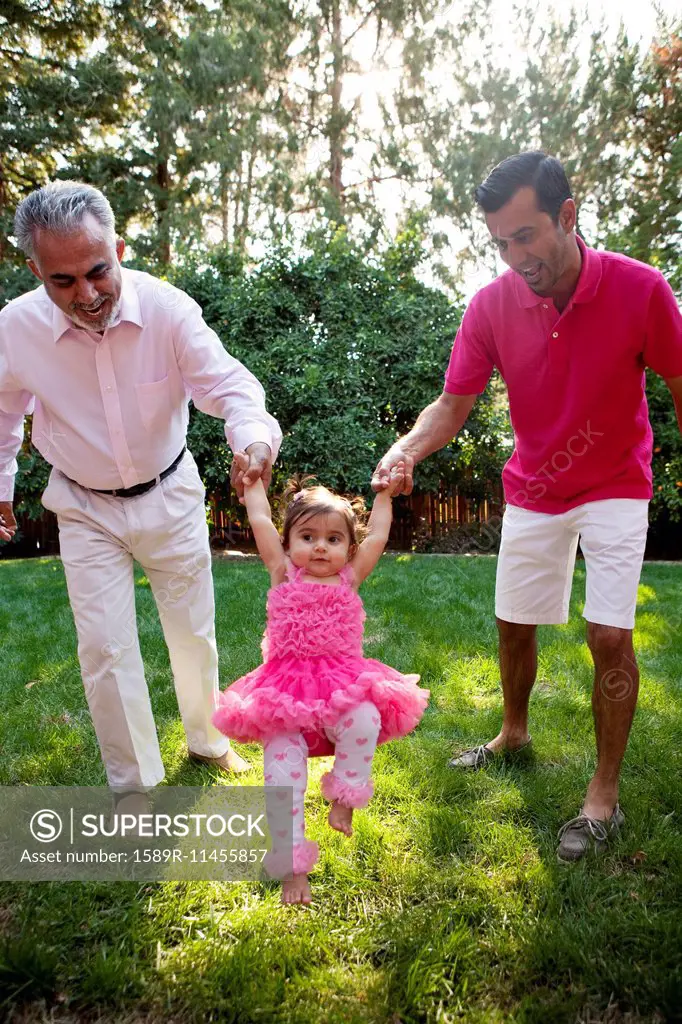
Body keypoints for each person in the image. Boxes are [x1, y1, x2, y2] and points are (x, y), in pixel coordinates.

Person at [372, 151, 682, 863]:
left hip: (615, 485)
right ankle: (513, 734)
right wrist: (406, 451)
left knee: (609, 636)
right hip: (536, 486)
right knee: (514, 623)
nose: (514, 256)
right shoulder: (490, 306)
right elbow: (453, 403)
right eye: (500, 243)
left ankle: (602, 796)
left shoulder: (641, 289)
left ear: (567, 216)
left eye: (526, 236)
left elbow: (678, 379)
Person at [0, 180, 282, 794]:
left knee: (191, 631)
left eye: (97, 271)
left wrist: (253, 441)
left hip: (169, 493)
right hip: (82, 504)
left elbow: (231, 389)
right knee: (104, 648)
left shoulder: (168, 310)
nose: (87, 293)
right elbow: (0, 412)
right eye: (63, 281)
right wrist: (1, 484)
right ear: (35, 270)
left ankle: (208, 740)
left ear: (118, 248)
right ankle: (135, 782)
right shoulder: (15, 329)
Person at [212, 455, 430, 904]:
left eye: (333, 539)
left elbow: (381, 535)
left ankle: (346, 794)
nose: (319, 548)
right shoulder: (282, 574)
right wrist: (252, 486)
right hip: (283, 690)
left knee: (366, 717)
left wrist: (384, 497)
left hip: (342, 682)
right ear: (289, 542)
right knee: (282, 773)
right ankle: (292, 868)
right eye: (307, 537)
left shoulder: (350, 579)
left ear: (349, 549)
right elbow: (259, 523)